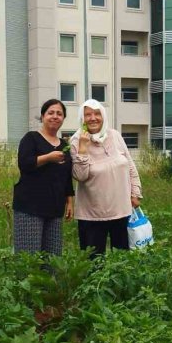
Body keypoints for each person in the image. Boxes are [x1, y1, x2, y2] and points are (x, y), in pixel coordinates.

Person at [70, 98, 142, 257]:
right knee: (94, 262)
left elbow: (130, 166)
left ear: (103, 116)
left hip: (121, 210)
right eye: (87, 114)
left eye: (97, 113)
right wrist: (83, 146)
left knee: (122, 259)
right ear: (82, 119)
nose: (93, 118)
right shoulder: (76, 141)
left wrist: (136, 192)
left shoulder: (115, 135)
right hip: (92, 214)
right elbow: (80, 176)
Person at [12, 98, 75, 255]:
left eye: (59, 114)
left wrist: (69, 202)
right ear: (42, 116)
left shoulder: (64, 146)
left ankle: (50, 280)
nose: (55, 116)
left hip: (54, 208)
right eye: (50, 113)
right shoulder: (31, 138)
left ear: (63, 119)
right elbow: (25, 164)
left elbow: (67, 176)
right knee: (29, 257)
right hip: (29, 207)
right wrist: (48, 158)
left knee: (52, 258)